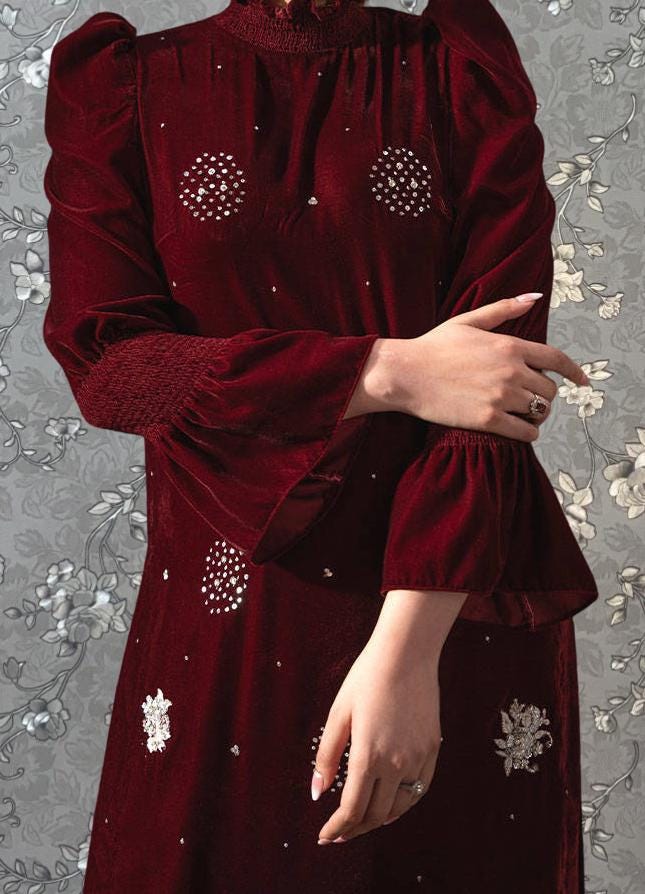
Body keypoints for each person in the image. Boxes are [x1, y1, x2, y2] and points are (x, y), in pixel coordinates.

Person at [41, 0, 599, 890]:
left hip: (441, 603)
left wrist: (407, 655)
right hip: (224, 620)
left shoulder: (458, 73)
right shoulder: (124, 85)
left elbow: (497, 388)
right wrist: (386, 372)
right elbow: (108, 363)